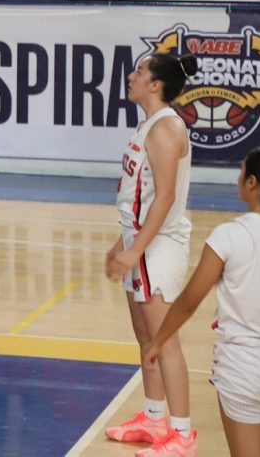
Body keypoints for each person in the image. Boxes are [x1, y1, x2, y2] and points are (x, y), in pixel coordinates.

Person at [143, 148, 260, 457]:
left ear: (252, 183)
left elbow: (188, 301)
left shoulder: (228, 236)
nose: (238, 178)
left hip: (244, 367)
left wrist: (158, 342)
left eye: (241, 172)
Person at [103, 52, 199, 457]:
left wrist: (136, 249)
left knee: (165, 342)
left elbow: (165, 199)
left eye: (140, 71)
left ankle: (182, 434)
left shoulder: (165, 129)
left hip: (157, 248)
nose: (131, 76)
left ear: (155, 84)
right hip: (140, 242)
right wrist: (122, 244)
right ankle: (154, 417)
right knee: (146, 338)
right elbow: (139, 198)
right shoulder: (149, 124)